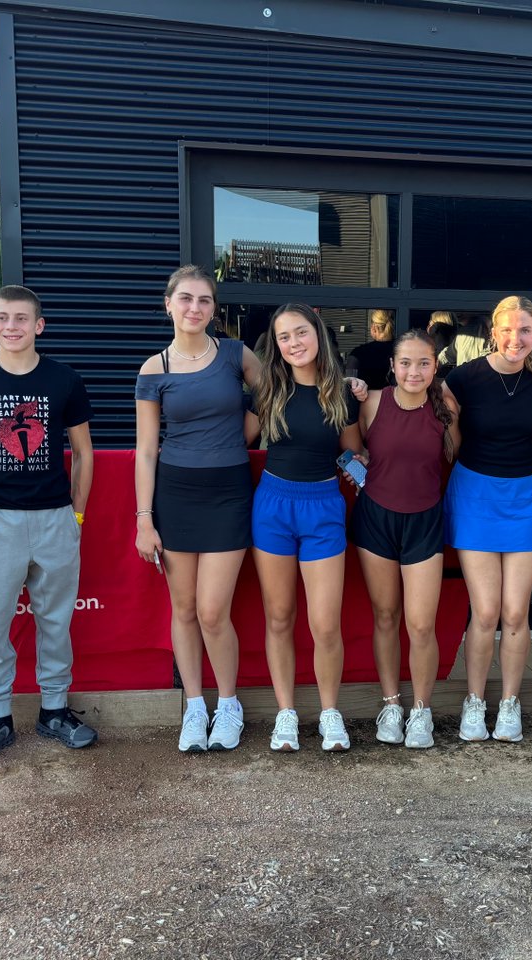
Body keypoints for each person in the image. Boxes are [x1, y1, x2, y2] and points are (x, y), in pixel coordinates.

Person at [0, 285, 96, 762]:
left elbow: (84, 453)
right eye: (3, 318)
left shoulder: (64, 380)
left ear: (39, 325)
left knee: (56, 619)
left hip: (53, 517)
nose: (12, 326)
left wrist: (77, 514)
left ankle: (54, 711)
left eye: (22, 319)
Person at [134, 265, 262, 753]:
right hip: (175, 494)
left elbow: (277, 394)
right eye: (185, 298)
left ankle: (228, 703)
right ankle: (194, 705)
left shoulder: (235, 354)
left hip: (229, 492)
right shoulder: (153, 370)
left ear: (213, 308)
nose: (194, 308)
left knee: (212, 611)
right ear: (168, 304)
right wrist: (144, 519)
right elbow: (146, 450)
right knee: (183, 608)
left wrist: (240, 437)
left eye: (204, 300)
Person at [444, 296, 532, 743]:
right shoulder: (463, 378)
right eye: (508, 329)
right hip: (475, 493)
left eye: (525, 330)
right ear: (493, 330)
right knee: (486, 611)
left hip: (525, 495)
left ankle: (509, 704)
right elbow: (442, 427)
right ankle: (474, 702)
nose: (516, 338)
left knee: (515, 611)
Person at [252, 303, 363, 752]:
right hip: (273, 505)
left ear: (317, 334)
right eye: (284, 337)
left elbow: (352, 454)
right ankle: (285, 714)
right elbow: (231, 437)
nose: (294, 343)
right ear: (276, 346)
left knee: (325, 624)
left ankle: (330, 713)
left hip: (323, 507)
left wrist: (362, 469)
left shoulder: (342, 393)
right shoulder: (267, 391)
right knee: (279, 617)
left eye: (301, 332)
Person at [352, 329, 460, 748]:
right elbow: (351, 449)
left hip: (424, 522)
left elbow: (455, 457)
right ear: (392, 366)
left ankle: (421, 710)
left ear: (435, 367)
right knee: (385, 616)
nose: (414, 371)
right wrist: (357, 462)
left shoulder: (445, 407)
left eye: (423, 363)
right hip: (375, 520)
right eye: (406, 363)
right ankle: (392, 703)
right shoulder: (373, 402)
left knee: (420, 624)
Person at [346, 309, 394, 389]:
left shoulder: (358, 353)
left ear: (373, 327)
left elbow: (349, 384)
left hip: (364, 400)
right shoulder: (402, 351)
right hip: (396, 400)